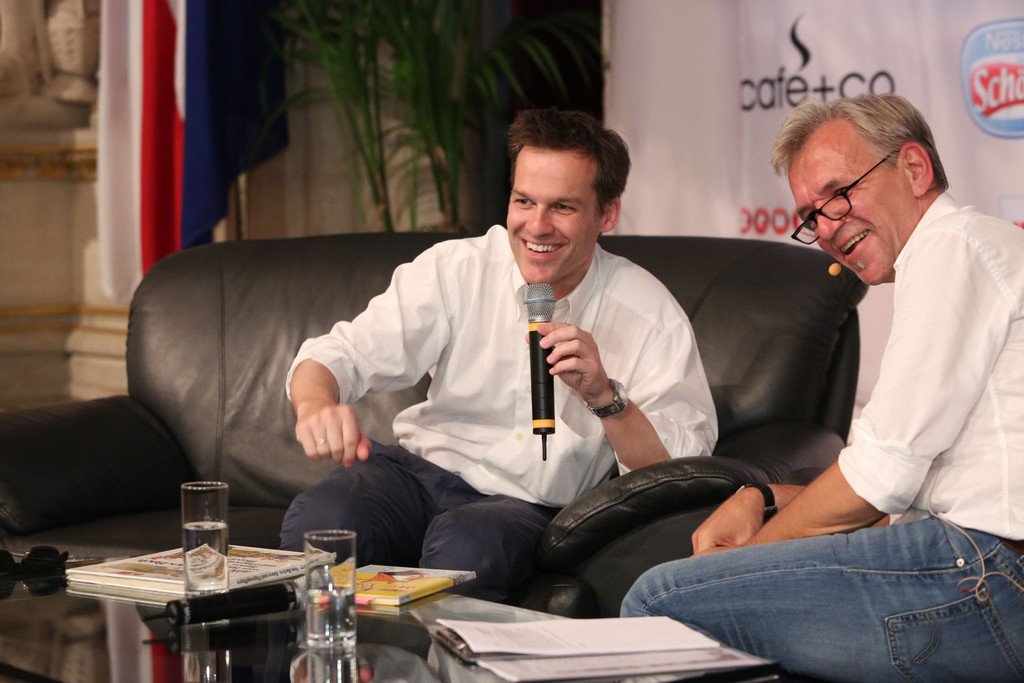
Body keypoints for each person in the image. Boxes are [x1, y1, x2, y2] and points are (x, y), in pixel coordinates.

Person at [622, 93, 1024, 682]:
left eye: (839, 193)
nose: (829, 228)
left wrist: (750, 559)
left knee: (663, 599)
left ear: (914, 169)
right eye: (812, 216)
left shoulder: (952, 245)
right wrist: (762, 498)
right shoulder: (980, 249)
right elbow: (901, 496)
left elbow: (879, 479)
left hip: (991, 574)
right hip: (984, 567)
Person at [281, 108, 718, 601]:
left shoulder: (648, 313)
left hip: (524, 504)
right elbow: (338, 354)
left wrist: (606, 397)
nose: (537, 226)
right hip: (418, 475)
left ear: (607, 214)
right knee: (324, 522)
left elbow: (684, 470)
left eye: (563, 207)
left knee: (471, 550)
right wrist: (315, 404)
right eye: (524, 201)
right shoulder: (456, 269)